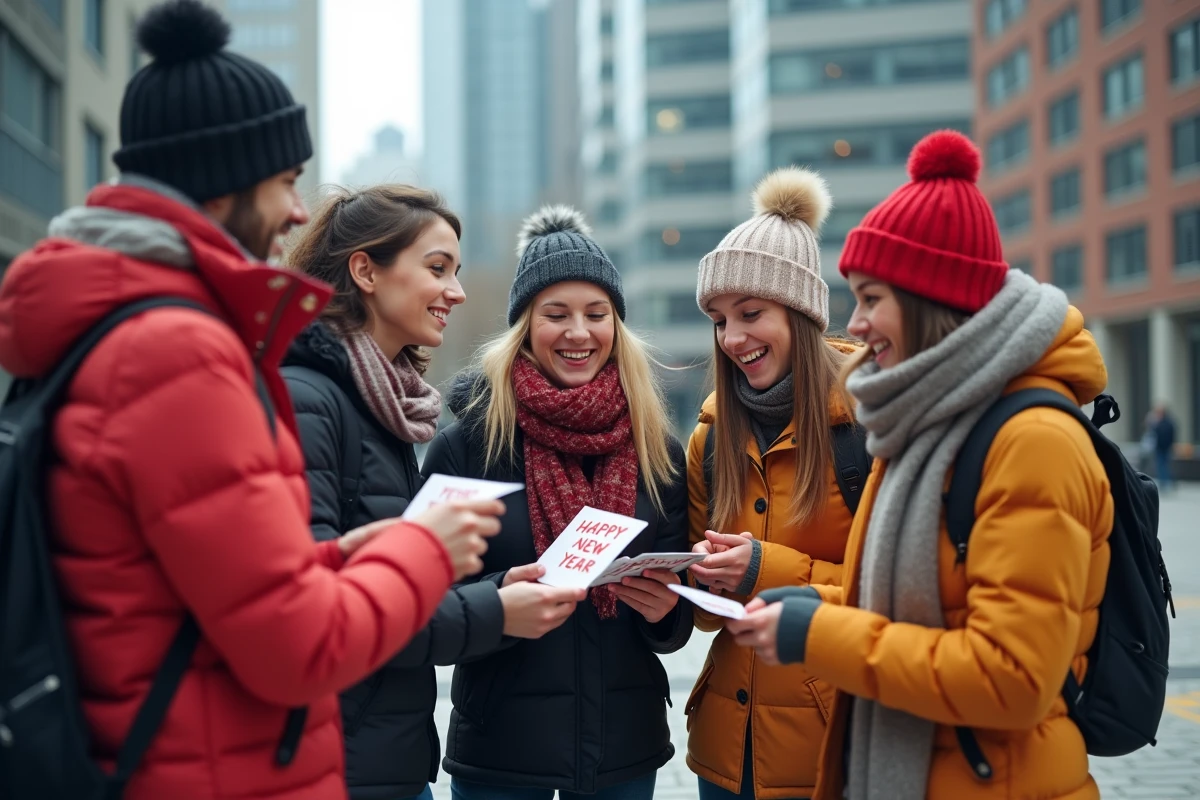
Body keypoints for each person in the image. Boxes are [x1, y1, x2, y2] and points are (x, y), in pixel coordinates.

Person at [0, 3, 501, 798]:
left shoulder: (125, 325)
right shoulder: (178, 351)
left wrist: (353, 553)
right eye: (286, 181)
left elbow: (220, 588)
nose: (299, 212)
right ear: (225, 177)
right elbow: (296, 645)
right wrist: (423, 549)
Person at [727, 130, 1114, 800]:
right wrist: (816, 602)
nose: (856, 323)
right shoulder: (930, 424)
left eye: (872, 298)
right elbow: (924, 608)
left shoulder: (1033, 442)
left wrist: (820, 632)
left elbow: (1011, 679)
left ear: (932, 301)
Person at [283, 186, 586, 800]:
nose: (458, 291)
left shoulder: (383, 406)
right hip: (334, 766)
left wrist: (494, 591)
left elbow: (392, 579)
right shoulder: (311, 401)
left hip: (383, 760)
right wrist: (497, 613)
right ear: (365, 270)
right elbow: (318, 609)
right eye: (437, 268)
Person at [421, 207, 692, 799]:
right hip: (501, 756)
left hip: (624, 753)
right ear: (525, 326)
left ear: (617, 326)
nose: (579, 333)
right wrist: (498, 598)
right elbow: (419, 601)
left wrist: (663, 611)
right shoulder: (470, 445)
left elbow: (678, 619)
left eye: (597, 314)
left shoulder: (656, 447)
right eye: (556, 314)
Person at [683, 167, 861, 800]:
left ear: (801, 312)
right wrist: (685, 583)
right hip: (724, 757)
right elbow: (707, 619)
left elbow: (905, 595)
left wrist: (764, 568)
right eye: (720, 320)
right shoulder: (709, 437)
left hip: (832, 745)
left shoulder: (867, 427)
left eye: (751, 313)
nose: (733, 339)